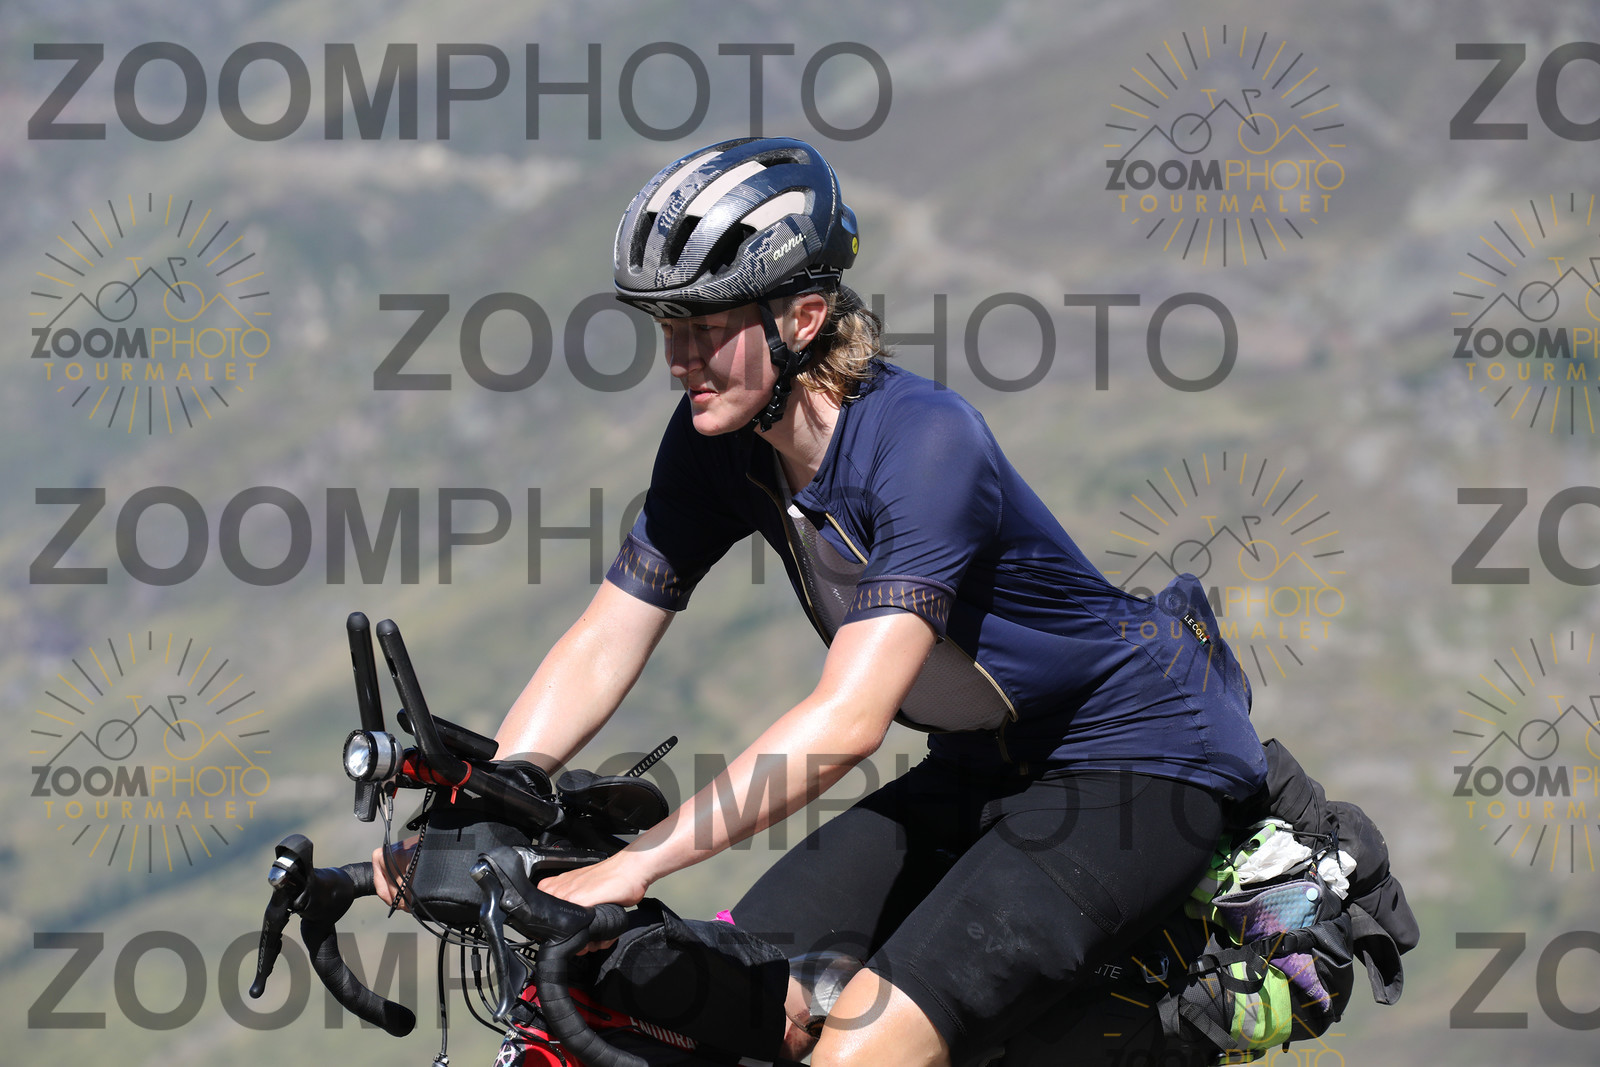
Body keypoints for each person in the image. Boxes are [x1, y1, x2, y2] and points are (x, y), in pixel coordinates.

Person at [397, 136, 1268, 1067]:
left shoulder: (924, 443)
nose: (679, 359)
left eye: (705, 327)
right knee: (725, 1006)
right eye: (667, 328)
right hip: (980, 768)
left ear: (804, 317)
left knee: (857, 1052)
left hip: (1135, 765)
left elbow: (849, 720)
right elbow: (611, 628)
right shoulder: (715, 441)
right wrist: (489, 796)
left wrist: (640, 860)